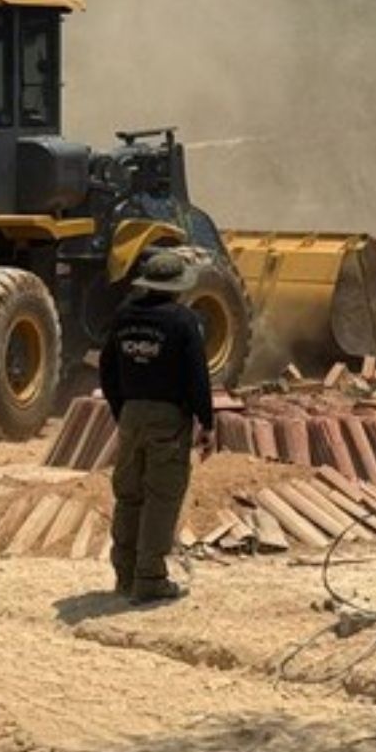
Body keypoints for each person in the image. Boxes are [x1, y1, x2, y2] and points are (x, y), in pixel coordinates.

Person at [98, 250, 215, 604]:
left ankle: (125, 574)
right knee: (161, 497)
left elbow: (107, 369)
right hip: (168, 418)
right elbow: (197, 375)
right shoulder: (182, 321)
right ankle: (149, 580)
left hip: (131, 413)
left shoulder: (124, 317)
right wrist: (206, 423)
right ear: (178, 286)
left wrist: (123, 410)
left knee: (129, 495)